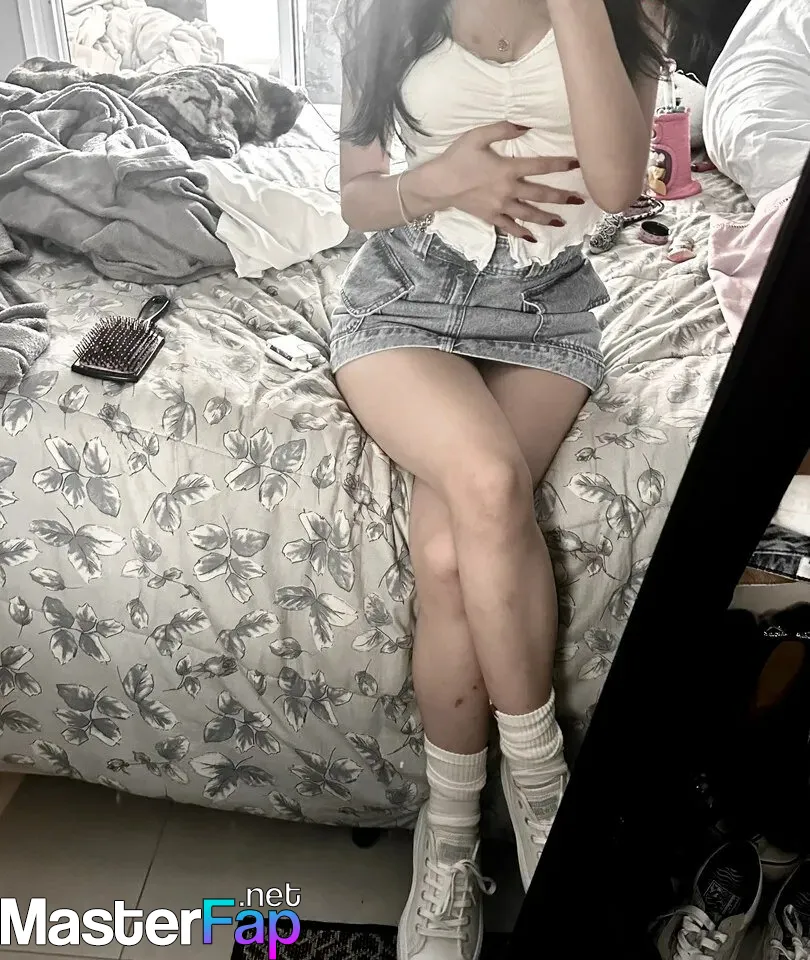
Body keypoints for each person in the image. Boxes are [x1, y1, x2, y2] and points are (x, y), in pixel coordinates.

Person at [330, 2, 679, 957]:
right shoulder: (386, 11)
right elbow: (356, 198)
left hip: (544, 311)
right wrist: (439, 181)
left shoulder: (622, 8)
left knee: (449, 555)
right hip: (404, 298)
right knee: (486, 481)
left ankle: (446, 837)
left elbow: (618, 186)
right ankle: (542, 789)